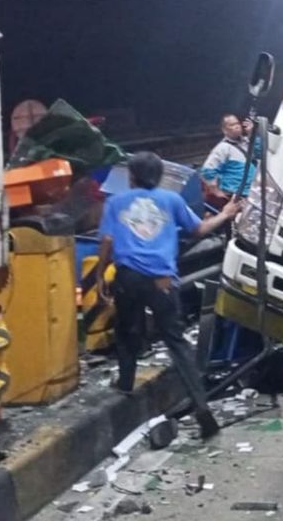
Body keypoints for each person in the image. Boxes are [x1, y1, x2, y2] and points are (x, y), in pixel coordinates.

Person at [94, 152, 242, 438]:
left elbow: (108, 241)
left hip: (128, 277)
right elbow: (199, 229)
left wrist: (100, 275)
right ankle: (202, 407)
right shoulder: (171, 200)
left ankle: (125, 383)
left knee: (127, 332)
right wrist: (225, 214)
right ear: (159, 176)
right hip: (162, 280)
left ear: (131, 176)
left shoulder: (115, 202)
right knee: (176, 341)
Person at [201, 113, 256, 206]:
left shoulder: (246, 142)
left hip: (249, 193)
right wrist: (217, 192)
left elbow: (260, 153)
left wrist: (251, 133)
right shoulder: (223, 148)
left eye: (237, 123)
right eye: (232, 125)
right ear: (224, 130)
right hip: (234, 195)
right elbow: (207, 171)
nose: (237, 126)